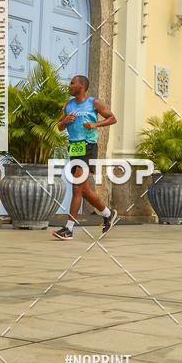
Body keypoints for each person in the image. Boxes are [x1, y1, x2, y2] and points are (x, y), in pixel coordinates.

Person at [53, 75, 118, 241]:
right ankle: (108, 213)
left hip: (88, 147)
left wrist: (95, 124)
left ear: (81, 86)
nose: (69, 86)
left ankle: (68, 229)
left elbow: (112, 118)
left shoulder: (93, 103)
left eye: (72, 83)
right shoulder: (69, 104)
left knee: (76, 188)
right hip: (74, 148)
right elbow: (59, 127)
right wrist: (65, 121)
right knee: (84, 190)